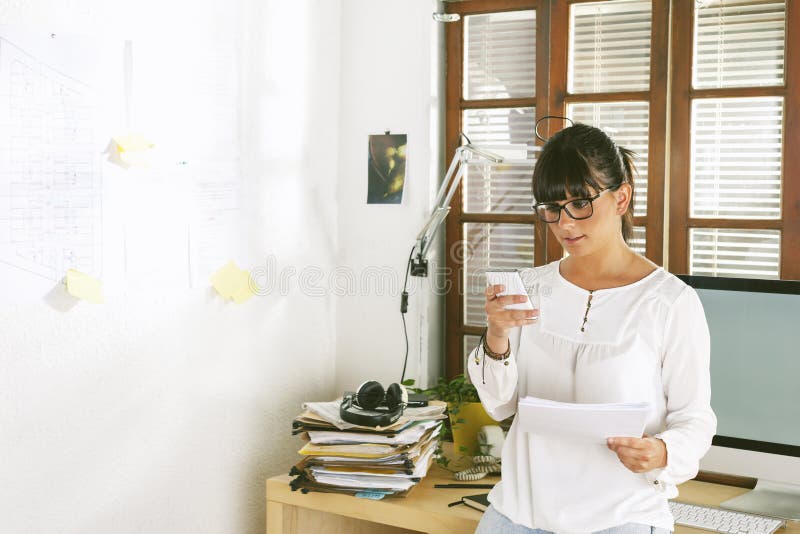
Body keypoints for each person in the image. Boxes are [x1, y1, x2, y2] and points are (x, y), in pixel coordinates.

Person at [469, 124, 717, 534]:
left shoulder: (670, 302)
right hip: (516, 516)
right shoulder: (530, 290)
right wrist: (496, 336)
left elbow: (694, 417)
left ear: (621, 197)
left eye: (580, 203)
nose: (565, 223)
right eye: (552, 207)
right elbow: (499, 404)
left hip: (622, 520)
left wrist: (662, 451)